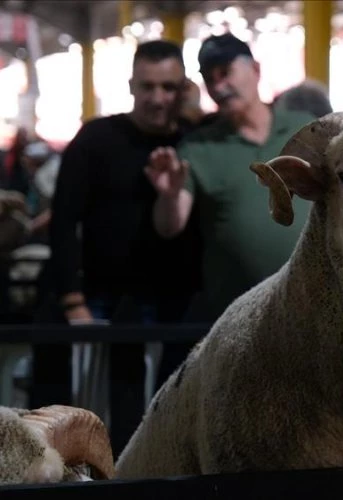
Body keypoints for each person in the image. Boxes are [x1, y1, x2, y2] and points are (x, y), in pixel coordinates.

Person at [47, 40, 203, 456]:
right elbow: (63, 223)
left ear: (183, 88)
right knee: (89, 415)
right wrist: (74, 301)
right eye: (147, 86)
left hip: (173, 304)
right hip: (102, 301)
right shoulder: (96, 139)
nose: (157, 98)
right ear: (131, 85)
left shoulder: (196, 142)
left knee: (166, 418)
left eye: (168, 87)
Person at [147, 33, 316, 320]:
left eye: (225, 73)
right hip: (237, 319)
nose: (218, 86)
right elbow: (169, 226)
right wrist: (170, 195)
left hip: (314, 308)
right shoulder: (198, 148)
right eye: (210, 79)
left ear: (256, 70)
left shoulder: (307, 130)